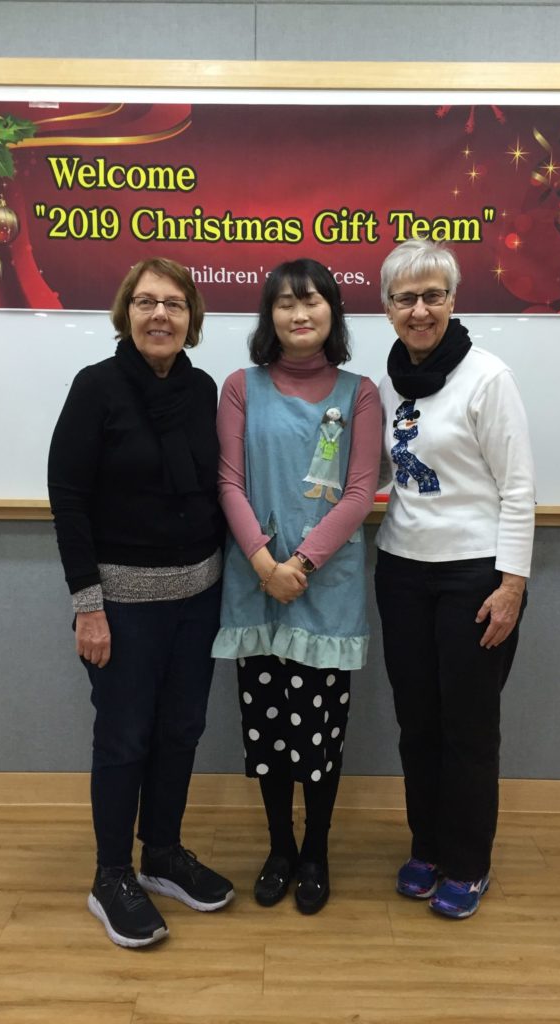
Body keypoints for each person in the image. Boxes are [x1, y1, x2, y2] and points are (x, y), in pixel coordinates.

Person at [47, 258, 233, 948]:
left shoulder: (204, 388)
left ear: (192, 319)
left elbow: (216, 489)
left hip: (198, 600)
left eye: (175, 304)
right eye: (148, 302)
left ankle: (162, 852)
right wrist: (88, 605)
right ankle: (111, 875)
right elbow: (68, 497)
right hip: (121, 607)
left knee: (181, 730)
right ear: (126, 312)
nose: (161, 315)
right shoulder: (95, 388)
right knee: (124, 738)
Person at [212, 259, 381, 914]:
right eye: (284, 303)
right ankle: (278, 846)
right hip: (255, 586)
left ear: (332, 311)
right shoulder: (240, 387)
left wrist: (300, 566)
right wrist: (263, 564)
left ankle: (316, 851)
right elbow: (228, 481)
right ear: (268, 316)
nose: (299, 313)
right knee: (267, 729)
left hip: (324, 588)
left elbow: (361, 490)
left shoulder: (359, 392)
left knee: (321, 732)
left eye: (311, 301)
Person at [374, 239, 535, 919]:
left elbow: (519, 488)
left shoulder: (487, 377)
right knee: (419, 725)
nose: (420, 309)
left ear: (453, 300)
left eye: (432, 295)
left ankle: (469, 862)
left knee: (469, 727)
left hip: (475, 578)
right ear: (386, 308)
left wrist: (512, 586)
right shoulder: (386, 381)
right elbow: (380, 474)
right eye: (406, 297)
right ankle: (429, 846)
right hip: (402, 570)